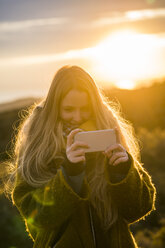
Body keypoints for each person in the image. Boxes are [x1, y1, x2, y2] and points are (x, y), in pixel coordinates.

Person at [7, 65, 155, 248]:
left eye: (85, 109)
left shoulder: (109, 134)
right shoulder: (37, 147)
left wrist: (122, 173)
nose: (77, 117)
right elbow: (36, 217)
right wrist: (70, 175)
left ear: (95, 106)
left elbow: (138, 209)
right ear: (55, 108)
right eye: (68, 109)